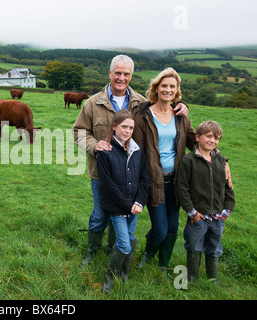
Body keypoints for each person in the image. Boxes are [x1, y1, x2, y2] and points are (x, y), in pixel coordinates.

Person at [73, 55, 188, 267]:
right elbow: (79, 132)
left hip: (131, 175)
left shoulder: (142, 104)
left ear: (131, 76)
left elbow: (165, 107)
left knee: (124, 214)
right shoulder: (92, 103)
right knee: (100, 215)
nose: (121, 77)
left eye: (126, 74)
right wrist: (93, 145)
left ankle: (113, 249)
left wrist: (181, 105)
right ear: (110, 74)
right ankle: (92, 249)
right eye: (117, 73)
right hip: (101, 172)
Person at [133, 67, 197, 274]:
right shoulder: (143, 116)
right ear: (157, 88)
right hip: (153, 181)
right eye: (164, 86)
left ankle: (163, 264)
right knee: (160, 229)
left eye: (172, 86)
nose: (168, 90)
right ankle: (148, 255)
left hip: (177, 181)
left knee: (172, 227)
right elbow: (136, 150)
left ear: (177, 90)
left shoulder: (181, 117)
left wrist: (220, 160)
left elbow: (195, 143)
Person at [96, 109, 150, 294]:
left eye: (131, 128)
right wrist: (128, 205)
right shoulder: (106, 152)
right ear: (114, 127)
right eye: (124, 127)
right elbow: (108, 185)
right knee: (124, 243)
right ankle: (109, 278)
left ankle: (124, 274)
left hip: (134, 206)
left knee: (130, 237)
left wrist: (139, 202)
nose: (127, 131)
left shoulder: (137, 150)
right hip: (118, 208)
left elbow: (145, 178)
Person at [177, 121, 235, 285]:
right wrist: (192, 213)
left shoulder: (221, 161)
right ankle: (192, 278)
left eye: (217, 138)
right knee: (194, 246)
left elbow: (228, 187)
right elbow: (182, 188)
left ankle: (212, 279)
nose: (213, 141)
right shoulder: (188, 161)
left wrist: (227, 211)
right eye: (209, 136)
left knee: (214, 246)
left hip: (218, 216)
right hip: (198, 216)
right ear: (197, 137)